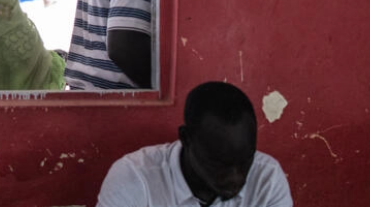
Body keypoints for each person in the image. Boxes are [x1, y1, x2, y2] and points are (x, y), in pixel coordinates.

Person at [96, 81, 293, 206]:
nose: (235, 178)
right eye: (219, 164)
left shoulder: (267, 179)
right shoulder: (135, 178)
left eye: (244, 162)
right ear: (186, 139)